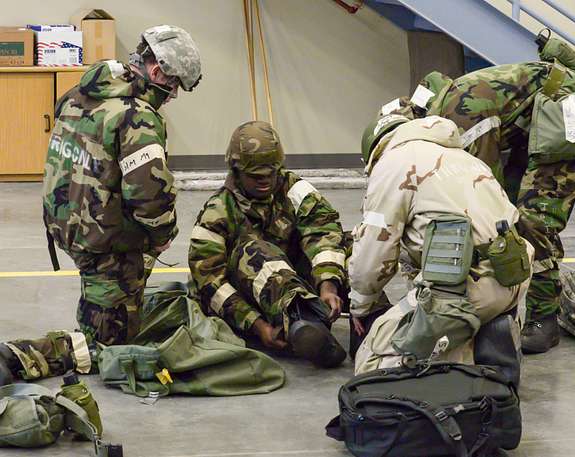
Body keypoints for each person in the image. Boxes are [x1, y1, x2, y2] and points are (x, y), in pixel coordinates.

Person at [0, 25, 202, 386]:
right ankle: (24, 356)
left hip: (71, 225)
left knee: (104, 309)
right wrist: (161, 236)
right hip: (110, 243)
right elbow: (148, 195)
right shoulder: (137, 117)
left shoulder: (82, 91)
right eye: (173, 88)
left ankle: (90, 318)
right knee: (109, 347)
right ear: (157, 73)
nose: (171, 96)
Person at [378, 36, 575, 353]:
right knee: (510, 219)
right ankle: (509, 297)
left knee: (532, 219)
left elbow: (484, 197)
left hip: (563, 114)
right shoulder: (435, 103)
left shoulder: (459, 116)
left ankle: (544, 316)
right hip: (528, 123)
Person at [351, 114, 534, 376]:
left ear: (374, 150)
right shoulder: (468, 160)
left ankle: (461, 355)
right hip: (513, 275)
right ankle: (488, 333)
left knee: (374, 359)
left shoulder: (393, 163)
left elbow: (374, 255)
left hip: (464, 288)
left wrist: (360, 304)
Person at [188, 121, 348, 368]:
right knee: (256, 250)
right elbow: (210, 283)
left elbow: (322, 228)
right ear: (236, 172)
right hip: (247, 298)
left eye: (271, 174)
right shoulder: (217, 212)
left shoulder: (294, 189)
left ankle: (369, 322)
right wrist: (257, 325)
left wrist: (328, 285)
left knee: (353, 246)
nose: (265, 181)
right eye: (255, 176)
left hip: (293, 283)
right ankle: (307, 325)